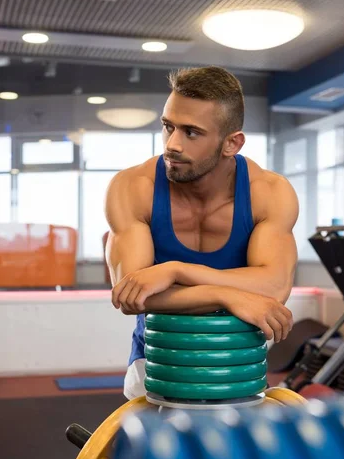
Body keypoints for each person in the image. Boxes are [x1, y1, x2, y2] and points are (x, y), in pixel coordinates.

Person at [105, 66, 298, 399]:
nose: (173, 144)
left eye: (192, 132)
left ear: (231, 143)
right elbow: (133, 295)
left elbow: (275, 286)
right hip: (157, 356)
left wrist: (174, 271)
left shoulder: (268, 192)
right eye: (168, 127)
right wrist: (227, 294)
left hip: (236, 359)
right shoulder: (132, 187)